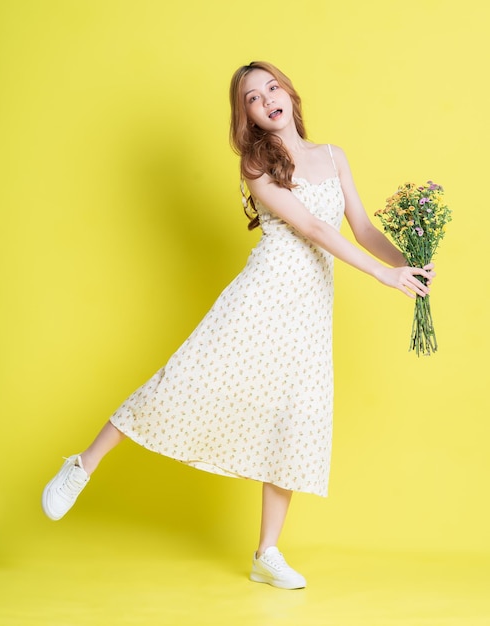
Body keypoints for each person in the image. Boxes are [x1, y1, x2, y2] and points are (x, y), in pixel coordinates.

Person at [41, 61, 434, 590]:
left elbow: (361, 228)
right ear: (246, 115)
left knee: (296, 419)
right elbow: (315, 228)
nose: (267, 98)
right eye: (253, 97)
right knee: (183, 381)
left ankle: (266, 553)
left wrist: (408, 259)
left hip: (310, 310)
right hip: (262, 295)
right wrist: (384, 278)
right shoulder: (256, 163)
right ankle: (82, 465)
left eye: (272, 86)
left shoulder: (334, 156)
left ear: (290, 93)